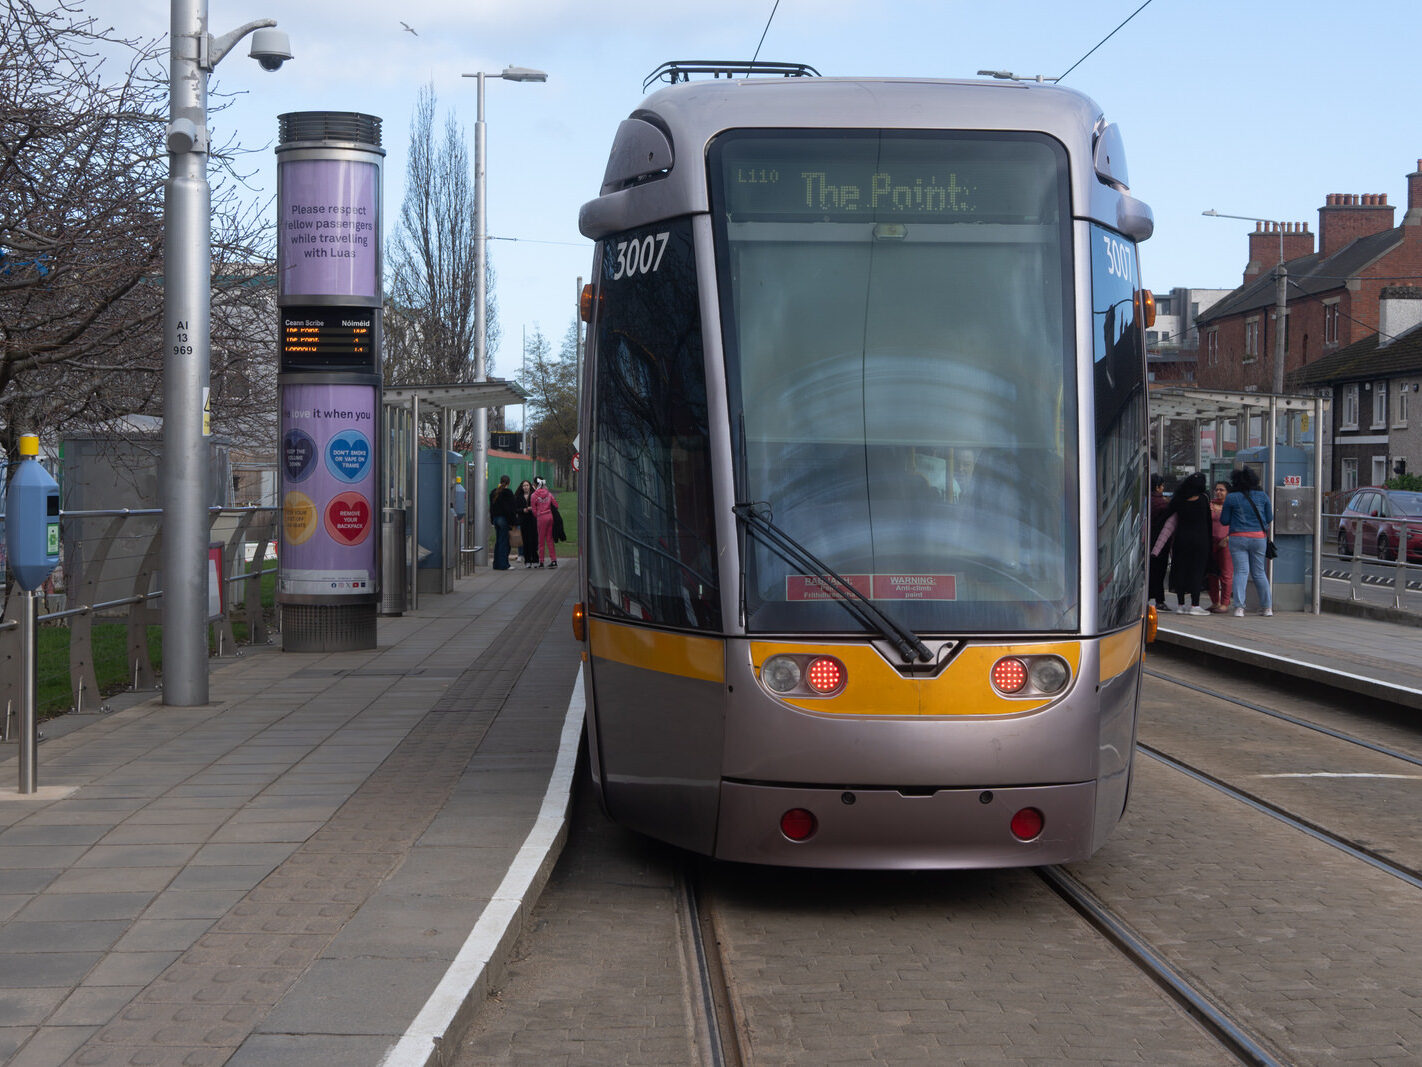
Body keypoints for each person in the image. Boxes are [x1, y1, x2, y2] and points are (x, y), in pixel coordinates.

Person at [1151, 471, 1212, 614]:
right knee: (1197, 571)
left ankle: (1180, 605)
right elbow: (1208, 523)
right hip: (1200, 540)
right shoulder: (1203, 499)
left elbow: (1165, 517)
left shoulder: (1179, 499)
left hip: (1181, 540)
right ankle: (1195, 605)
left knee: (1181, 570)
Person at [1220, 466, 1273, 617]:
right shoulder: (1262, 496)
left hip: (1238, 538)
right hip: (1258, 538)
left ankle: (1239, 608)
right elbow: (1269, 518)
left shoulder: (1231, 497)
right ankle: (1267, 607)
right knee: (1259, 572)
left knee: (1241, 572)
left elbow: (1224, 520)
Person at [1207, 480, 1234, 612]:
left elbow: (1236, 524)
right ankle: (1215, 602)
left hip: (1226, 543)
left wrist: (1228, 538)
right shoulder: (1210, 505)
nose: (1218, 492)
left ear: (1228, 492)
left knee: (1226, 574)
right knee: (1212, 574)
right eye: (1217, 489)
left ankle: (1225, 603)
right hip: (1211, 542)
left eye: (1222, 490)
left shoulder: (1231, 506)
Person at [1148, 474, 1171, 609]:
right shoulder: (1162, 503)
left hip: (1145, 541)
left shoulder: (1144, 500)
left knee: (1148, 571)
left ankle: (1145, 597)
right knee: (1159, 572)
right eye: (1162, 486)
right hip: (1160, 542)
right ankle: (1159, 600)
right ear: (1158, 487)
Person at [530, 477, 558, 568]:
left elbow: (533, 510)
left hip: (541, 517)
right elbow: (555, 505)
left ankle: (541, 561)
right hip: (549, 516)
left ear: (535, 485)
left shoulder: (534, 495)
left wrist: (538, 514)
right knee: (549, 539)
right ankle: (553, 560)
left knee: (541, 540)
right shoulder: (548, 494)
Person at [489, 474, 516, 570]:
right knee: (504, 543)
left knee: (498, 542)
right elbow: (511, 509)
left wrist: (492, 520)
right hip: (503, 520)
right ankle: (504, 564)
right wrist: (513, 522)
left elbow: (491, 508)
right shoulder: (508, 493)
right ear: (508, 483)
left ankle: (496, 564)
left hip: (496, 519)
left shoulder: (493, 492)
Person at [513, 478, 539, 568]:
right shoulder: (518, 497)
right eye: (524, 486)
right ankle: (527, 561)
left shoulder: (534, 495)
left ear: (530, 486)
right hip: (523, 521)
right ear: (521, 487)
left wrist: (532, 509)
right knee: (525, 541)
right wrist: (522, 510)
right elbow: (515, 509)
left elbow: (538, 506)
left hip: (533, 520)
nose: (525, 487)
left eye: (527, 485)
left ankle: (535, 560)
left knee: (534, 540)